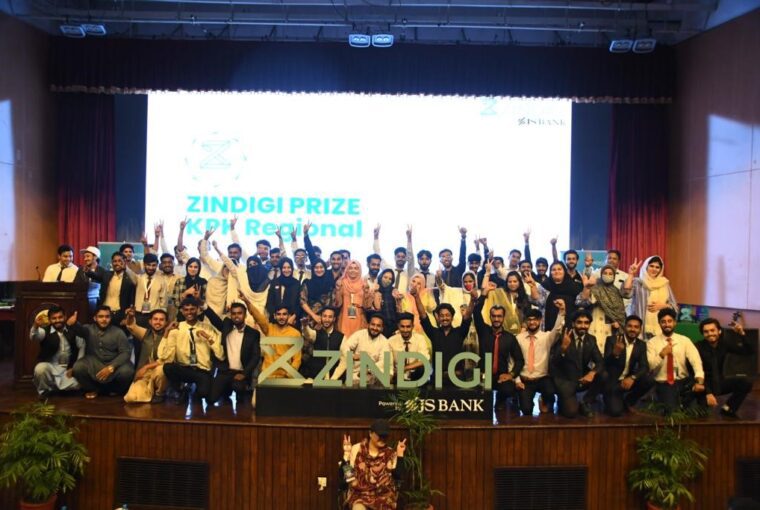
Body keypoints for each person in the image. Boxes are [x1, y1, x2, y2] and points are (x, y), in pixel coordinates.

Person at [160, 297, 224, 403]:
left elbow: (221, 355)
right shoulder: (177, 328)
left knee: (203, 393)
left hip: (202, 370)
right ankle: (180, 390)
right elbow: (163, 356)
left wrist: (208, 338)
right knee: (168, 367)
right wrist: (167, 332)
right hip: (184, 368)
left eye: (192, 309)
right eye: (186, 310)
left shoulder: (207, 328)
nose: (189, 312)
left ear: (198, 310)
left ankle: (194, 390)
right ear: (182, 311)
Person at [412, 284, 475, 386]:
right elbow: (423, 316)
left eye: (447, 315)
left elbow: (467, 317)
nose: (445, 318)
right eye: (441, 316)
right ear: (438, 318)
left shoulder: (460, 332)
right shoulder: (434, 333)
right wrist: (416, 297)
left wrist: (472, 300)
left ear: (452, 317)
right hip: (437, 379)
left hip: (457, 379)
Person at [646, 308, 705, 414]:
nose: (667, 324)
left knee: (699, 407)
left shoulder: (685, 340)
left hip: (683, 381)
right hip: (664, 382)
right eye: (663, 322)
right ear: (659, 323)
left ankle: (682, 403)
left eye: (669, 321)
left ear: (675, 322)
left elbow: (696, 361)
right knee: (672, 412)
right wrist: (662, 354)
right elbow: (649, 366)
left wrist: (699, 379)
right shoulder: (652, 343)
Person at [205, 299, 262, 405]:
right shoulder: (226, 326)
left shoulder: (253, 333)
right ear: (231, 315)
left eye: (240, 313)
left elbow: (255, 356)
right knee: (211, 399)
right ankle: (226, 390)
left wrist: (244, 374)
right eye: (234, 313)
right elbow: (214, 319)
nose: (236, 316)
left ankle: (239, 393)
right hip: (225, 371)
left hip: (241, 372)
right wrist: (203, 305)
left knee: (238, 387)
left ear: (245, 315)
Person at [340, 420, 406, 510]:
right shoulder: (357, 449)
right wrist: (346, 455)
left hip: (384, 497)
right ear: (370, 433)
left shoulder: (390, 453)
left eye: (385, 436)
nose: (382, 438)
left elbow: (399, 476)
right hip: (360, 495)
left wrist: (400, 454)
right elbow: (348, 477)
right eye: (380, 435)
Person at [70, 306, 135, 398]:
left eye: (107, 316)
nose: (104, 319)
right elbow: (80, 330)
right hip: (94, 362)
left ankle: (114, 390)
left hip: (114, 363)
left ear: (110, 318)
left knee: (128, 371)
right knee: (78, 367)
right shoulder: (88, 329)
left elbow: (125, 352)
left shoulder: (118, 332)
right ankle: (92, 389)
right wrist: (74, 323)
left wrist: (111, 367)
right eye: (100, 316)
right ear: (95, 318)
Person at [696, 316, 755, 418]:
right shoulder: (698, 347)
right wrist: (708, 393)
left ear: (719, 331)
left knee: (745, 383)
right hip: (703, 385)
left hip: (719, 383)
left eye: (712, 330)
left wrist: (741, 334)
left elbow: (749, 351)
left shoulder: (724, 344)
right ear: (703, 334)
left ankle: (728, 408)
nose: (710, 334)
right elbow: (694, 372)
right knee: (702, 416)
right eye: (706, 332)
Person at [549, 309, 603, 418]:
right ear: (573, 324)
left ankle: (585, 401)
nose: (583, 326)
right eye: (579, 322)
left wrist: (592, 373)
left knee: (603, 375)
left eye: (586, 323)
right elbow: (553, 363)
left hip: (582, 377)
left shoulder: (591, 339)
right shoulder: (563, 336)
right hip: (565, 380)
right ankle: (562, 399)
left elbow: (600, 361)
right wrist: (563, 348)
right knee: (571, 412)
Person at [472, 297, 524, 410]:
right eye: (494, 316)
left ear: (503, 317)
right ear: (490, 317)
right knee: (477, 400)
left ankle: (500, 400)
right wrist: (483, 296)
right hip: (483, 374)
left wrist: (511, 375)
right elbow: (476, 312)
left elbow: (520, 360)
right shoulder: (483, 331)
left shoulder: (510, 338)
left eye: (499, 316)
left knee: (509, 390)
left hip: (501, 376)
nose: (496, 319)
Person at [514, 304, 565, 416]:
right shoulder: (518, 338)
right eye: (529, 320)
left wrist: (561, 312)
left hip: (542, 379)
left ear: (540, 321)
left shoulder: (547, 337)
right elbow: (512, 360)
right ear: (526, 321)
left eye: (535, 320)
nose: (532, 322)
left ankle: (545, 399)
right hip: (525, 380)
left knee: (550, 391)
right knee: (526, 410)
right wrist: (517, 381)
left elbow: (557, 330)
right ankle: (525, 400)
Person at [600, 315, 654, 416]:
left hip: (627, 380)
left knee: (649, 380)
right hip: (612, 382)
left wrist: (632, 377)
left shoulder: (641, 345)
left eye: (636, 327)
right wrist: (615, 354)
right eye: (630, 326)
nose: (632, 329)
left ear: (640, 329)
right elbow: (605, 363)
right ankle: (609, 397)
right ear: (624, 327)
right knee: (615, 412)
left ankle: (629, 400)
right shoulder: (612, 340)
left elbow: (644, 366)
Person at [29, 306, 85, 396]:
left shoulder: (72, 330)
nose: (57, 320)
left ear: (65, 317)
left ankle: (56, 388)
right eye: (54, 318)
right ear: (49, 319)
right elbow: (34, 337)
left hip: (68, 369)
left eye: (60, 317)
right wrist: (35, 326)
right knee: (40, 369)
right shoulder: (44, 331)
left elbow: (82, 346)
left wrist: (75, 367)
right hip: (51, 367)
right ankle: (44, 392)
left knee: (79, 384)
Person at [575, 265, 632, 352]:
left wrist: (617, 322)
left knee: (608, 350)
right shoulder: (595, 288)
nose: (607, 275)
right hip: (594, 323)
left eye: (610, 274)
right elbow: (581, 302)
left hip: (610, 327)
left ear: (614, 277)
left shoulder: (616, 291)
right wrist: (587, 288)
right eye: (605, 273)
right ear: (601, 275)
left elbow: (619, 312)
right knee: (592, 350)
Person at [123, 307, 170, 404]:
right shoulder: (146, 333)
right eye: (155, 319)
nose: (158, 322)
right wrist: (130, 316)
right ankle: (149, 390)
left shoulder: (170, 335)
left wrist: (146, 367)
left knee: (161, 370)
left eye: (161, 320)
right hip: (145, 375)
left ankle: (160, 393)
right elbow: (131, 325)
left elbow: (167, 359)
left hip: (159, 373)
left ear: (166, 323)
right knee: (131, 398)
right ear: (150, 321)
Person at [246, 299, 302, 380]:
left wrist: (289, 375)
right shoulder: (269, 328)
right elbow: (258, 317)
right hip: (267, 375)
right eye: (278, 314)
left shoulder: (295, 334)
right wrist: (247, 302)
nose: (281, 317)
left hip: (285, 377)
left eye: (284, 314)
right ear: (275, 316)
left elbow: (297, 359)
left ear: (289, 316)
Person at [331, 314, 392, 386]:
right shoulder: (359, 334)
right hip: (354, 374)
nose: (375, 328)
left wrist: (368, 369)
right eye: (373, 324)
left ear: (382, 328)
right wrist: (352, 355)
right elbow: (345, 346)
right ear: (368, 325)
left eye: (378, 326)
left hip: (372, 375)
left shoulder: (384, 342)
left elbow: (382, 362)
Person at [626, 256, 678, 338]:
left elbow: (675, 306)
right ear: (646, 267)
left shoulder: (664, 284)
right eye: (651, 266)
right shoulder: (638, 282)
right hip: (639, 327)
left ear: (660, 269)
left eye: (657, 267)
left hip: (659, 328)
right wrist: (631, 274)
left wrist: (664, 306)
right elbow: (626, 293)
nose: (654, 269)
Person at [527, 261, 583, 333]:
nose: (556, 272)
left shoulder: (574, 286)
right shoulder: (545, 285)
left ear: (564, 271)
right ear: (550, 272)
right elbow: (539, 302)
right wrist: (533, 286)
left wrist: (587, 288)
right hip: (548, 324)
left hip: (570, 324)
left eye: (559, 269)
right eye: (553, 270)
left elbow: (582, 302)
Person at [300, 306, 344, 380]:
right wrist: (305, 326)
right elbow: (308, 334)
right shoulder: (316, 334)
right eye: (324, 316)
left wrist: (333, 378)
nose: (327, 319)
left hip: (333, 378)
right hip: (316, 377)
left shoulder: (341, 337)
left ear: (334, 319)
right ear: (321, 318)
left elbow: (344, 360)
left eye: (330, 317)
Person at [334, 260, 373, 339]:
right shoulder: (342, 282)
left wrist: (366, 293)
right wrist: (338, 290)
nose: (353, 270)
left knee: (358, 341)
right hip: (344, 317)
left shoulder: (364, 284)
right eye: (350, 268)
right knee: (344, 342)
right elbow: (338, 304)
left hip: (359, 317)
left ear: (360, 270)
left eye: (356, 268)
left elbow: (367, 306)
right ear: (347, 269)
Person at [388, 312, 430, 383]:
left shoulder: (420, 339)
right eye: (402, 326)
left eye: (408, 326)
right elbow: (389, 363)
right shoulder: (391, 341)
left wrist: (404, 368)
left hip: (415, 375)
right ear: (398, 326)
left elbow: (425, 359)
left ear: (412, 326)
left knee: (422, 368)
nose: (405, 330)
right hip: (397, 376)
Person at [98, 251, 137, 327]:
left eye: (119, 261)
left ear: (124, 262)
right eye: (114, 261)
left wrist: (127, 317)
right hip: (105, 313)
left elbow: (132, 299)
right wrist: (88, 272)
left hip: (120, 314)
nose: (117, 263)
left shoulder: (129, 279)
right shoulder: (107, 274)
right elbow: (95, 276)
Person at [265, 257, 301, 322]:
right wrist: (277, 315)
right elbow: (269, 302)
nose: (286, 270)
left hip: (292, 320)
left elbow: (299, 304)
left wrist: (293, 316)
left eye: (289, 267)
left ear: (292, 268)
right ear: (281, 269)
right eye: (284, 268)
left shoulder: (297, 283)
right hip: (276, 319)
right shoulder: (274, 282)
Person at [300, 259, 335, 323]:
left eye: (321, 267)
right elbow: (302, 301)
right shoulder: (307, 283)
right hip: (309, 318)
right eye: (316, 267)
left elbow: (332, 303)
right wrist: (313, 315)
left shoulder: (330, 284)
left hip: (326, 320)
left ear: (325, 268)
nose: (319, 270)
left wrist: (324, 318)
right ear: (313, 269)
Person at [372, 268, 403, 338]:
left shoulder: (394, 291)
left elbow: (399, 310)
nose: (387, 280)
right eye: (385, 277)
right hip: (380, 326)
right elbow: (377, 308)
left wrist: (398, 299)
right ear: (381, 277)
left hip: (394, 326)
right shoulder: (376, 290)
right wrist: (376, 292)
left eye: (390, 279)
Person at [79, 246, 107, 314]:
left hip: (98, 306)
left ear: (95, 257)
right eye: (84, 257)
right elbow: (76, 285)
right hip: (82, 305)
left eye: (88, 256)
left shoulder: (103, 271)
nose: (85, 259)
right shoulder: (80, 270)